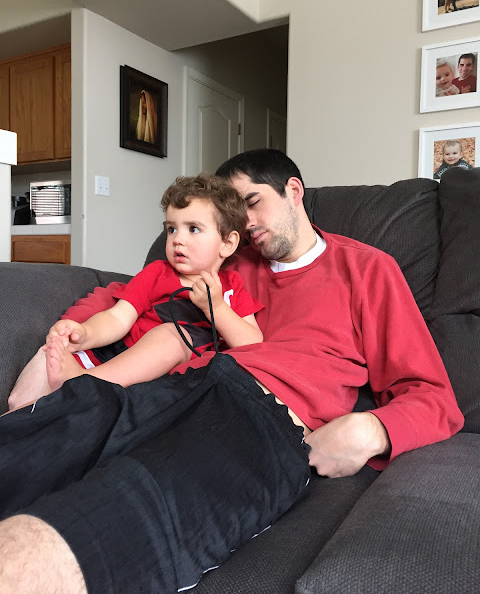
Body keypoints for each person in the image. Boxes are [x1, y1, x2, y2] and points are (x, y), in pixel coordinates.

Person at [0, 149, 464, 594]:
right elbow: (127, 292)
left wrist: (370, 430)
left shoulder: (367, 269)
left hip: (259, 417)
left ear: (293, 191)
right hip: (171, 389)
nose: (245, 223)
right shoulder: (229, 260)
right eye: (234, 214)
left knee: (78, 534)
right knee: (31, 447)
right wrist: (63, 337)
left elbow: (432, 395)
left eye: (253, 202)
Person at [8, 173, 264, 408]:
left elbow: (252, 343)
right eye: (171, 229)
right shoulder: (157, 273)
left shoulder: (231, 287)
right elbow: (118, 317)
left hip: (161, 377)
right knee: (36, 378)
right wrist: (84, 334)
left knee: (173, 336)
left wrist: (215, 307)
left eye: (193, 229)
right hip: (116, 356)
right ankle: (24, 416)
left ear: (228, 243)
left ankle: (86, 383)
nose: (178, 239)